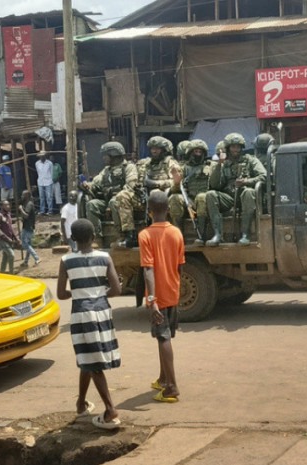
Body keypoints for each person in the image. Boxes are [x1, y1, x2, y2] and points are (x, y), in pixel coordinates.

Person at [56, 218, 122, 430]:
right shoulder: (105, 257)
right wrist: (99, 293)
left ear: (72, 239)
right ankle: (81, 403)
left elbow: (60, 293)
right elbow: (116, 289)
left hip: (81, 314)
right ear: (93, 237)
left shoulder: (66, 260)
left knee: (92, 363)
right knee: (88, 357)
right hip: (102, 311)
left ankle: (110, 409)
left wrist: (77, 293)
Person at [139, 190, 184, 402]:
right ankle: (163, 379)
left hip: (157, 297)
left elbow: (148, 270)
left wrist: (151, 300)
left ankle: (172, 386)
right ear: (168, 210)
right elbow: (180, 266)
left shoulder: (145, 235)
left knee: (163, 336)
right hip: (172, 291)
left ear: (149, 212)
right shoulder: (176, 232)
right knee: (163, 337)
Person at [204, 133, 266, 246]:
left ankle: (245, 235)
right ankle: (218, 235)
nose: (236, 150)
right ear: (228, 148)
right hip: (230, 197)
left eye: (238, 147)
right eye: (233, 147)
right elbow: (215, 185)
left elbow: (264, 176)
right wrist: (219, 164)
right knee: (210, 194)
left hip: (246, 198)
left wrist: (246, 182)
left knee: (248, 192)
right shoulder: (224, 164)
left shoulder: (250, 160)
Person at [82, 141, 141, 248]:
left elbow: (130, 185)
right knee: (92, 204)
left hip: (124, 201)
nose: (104, 158)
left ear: (113, 154)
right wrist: (88, 186)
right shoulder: (106, 170)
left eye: (105, 155)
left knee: (115, 202)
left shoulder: (128, 167)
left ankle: (121, 235)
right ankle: (97, 238)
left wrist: (114, 196)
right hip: (107, 200)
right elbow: (96, 182)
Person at [168, 139, 215, 244]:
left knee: (201, 197)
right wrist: (177, 183)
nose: (198, 154)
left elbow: (217, 183)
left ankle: (201, 235)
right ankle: (178, 236)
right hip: (188, 200)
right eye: (195, 152)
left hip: (206, 200)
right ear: (190, 153)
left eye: (200, 152)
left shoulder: (211, 166)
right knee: (174, 198)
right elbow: (173, 189)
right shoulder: (182, 168)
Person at [0, 200, 19, 274]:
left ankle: (2, 274)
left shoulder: (8, 215)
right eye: (6, 205)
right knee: (11, 255)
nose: (8, 206)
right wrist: (7, 239)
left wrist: (16, 238)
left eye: (8, 205)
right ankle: (11, 274)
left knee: (5, 258)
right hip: (2, 240)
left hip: (9, 240)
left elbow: (11, 228)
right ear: (1, 206)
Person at [17, 190, 41, 267]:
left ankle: (37, 258)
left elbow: (26, 215)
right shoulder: (26, 204)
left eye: (23, 195)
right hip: (28, 226)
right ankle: (26, 262)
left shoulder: (29, 204)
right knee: (29, 245)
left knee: (25, 244)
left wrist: (20, 209)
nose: (22, 196)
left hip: (27, 227)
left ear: (27, 196)